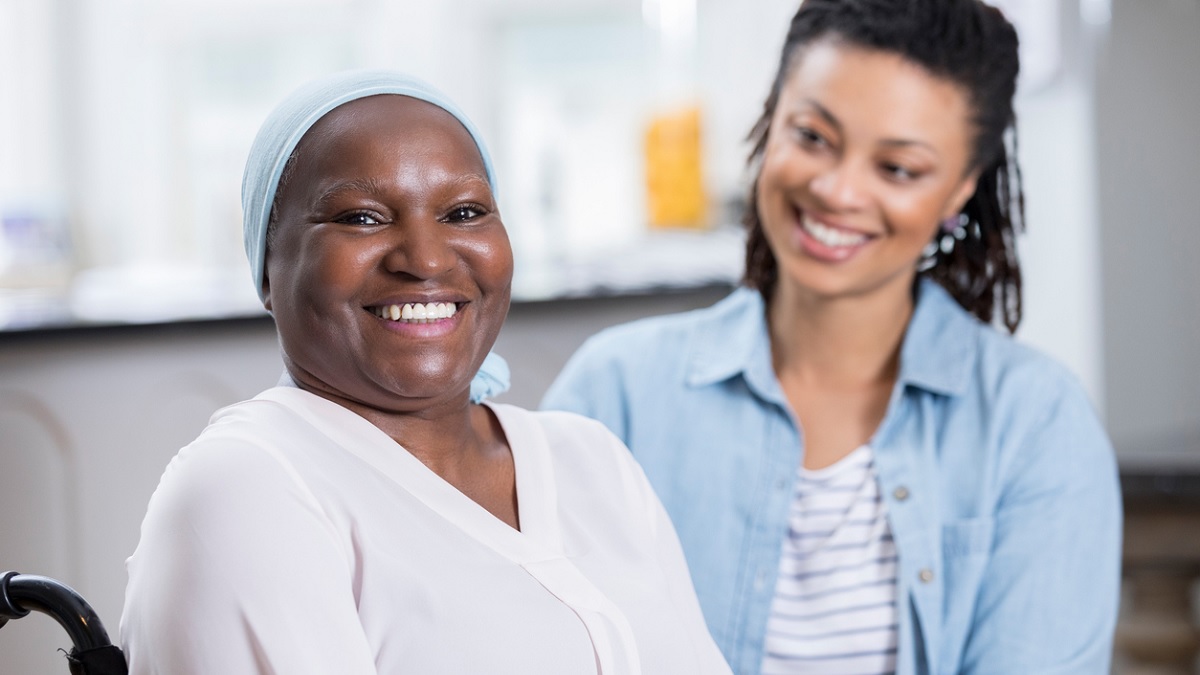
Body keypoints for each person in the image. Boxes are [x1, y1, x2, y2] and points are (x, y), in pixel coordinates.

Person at [541, 1, 1122, 673]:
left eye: (898, 168)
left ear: (958, 192)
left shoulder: (1035, 425)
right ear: (772, 116)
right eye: (813, 136)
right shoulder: (615, 393)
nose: (837, 190)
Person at [119, 70, 731, 675]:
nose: (427, 259)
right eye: (362, 217)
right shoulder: (247, 491)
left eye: (464, 212)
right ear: (266, 269)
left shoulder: (591, 461)